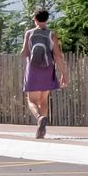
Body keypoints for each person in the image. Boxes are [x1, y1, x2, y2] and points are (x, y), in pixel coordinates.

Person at [20, 8, 63, 140]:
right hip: (48, 69)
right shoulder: (51, 34)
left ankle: (39, 118)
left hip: (33, 69)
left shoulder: (29, 33)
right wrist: (64, 74)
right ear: (47, 19)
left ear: (35, 19)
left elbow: (24, 53)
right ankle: (42, 130)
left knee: (31, 100)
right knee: (43, 100)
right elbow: (58, 55)